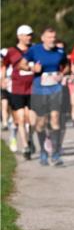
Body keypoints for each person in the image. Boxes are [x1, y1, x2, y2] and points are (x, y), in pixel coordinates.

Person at [23, 27, 68, 166]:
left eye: (54, 37)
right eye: (49, 37)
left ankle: (55, 154)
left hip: (55, 89)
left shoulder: (60, 51)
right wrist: (31, 68)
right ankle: (43, 151)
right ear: (43, 38)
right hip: (39, 90)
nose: (52, 40)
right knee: (41, 123)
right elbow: (21, 64)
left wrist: (62, 74)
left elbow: (66, 65)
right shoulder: (34, 50)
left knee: (55, 119)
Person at [2, 26, 35, 159]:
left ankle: (30, 139)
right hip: (17, 88)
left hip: (33, 88)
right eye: (26, 35)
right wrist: (3, 79)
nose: (29, 37)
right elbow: (4, 65)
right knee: (20, 119)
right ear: (19, 36)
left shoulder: (35, 49)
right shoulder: (11, 51)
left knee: (31, 119)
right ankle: (25, 146)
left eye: (30, 35)